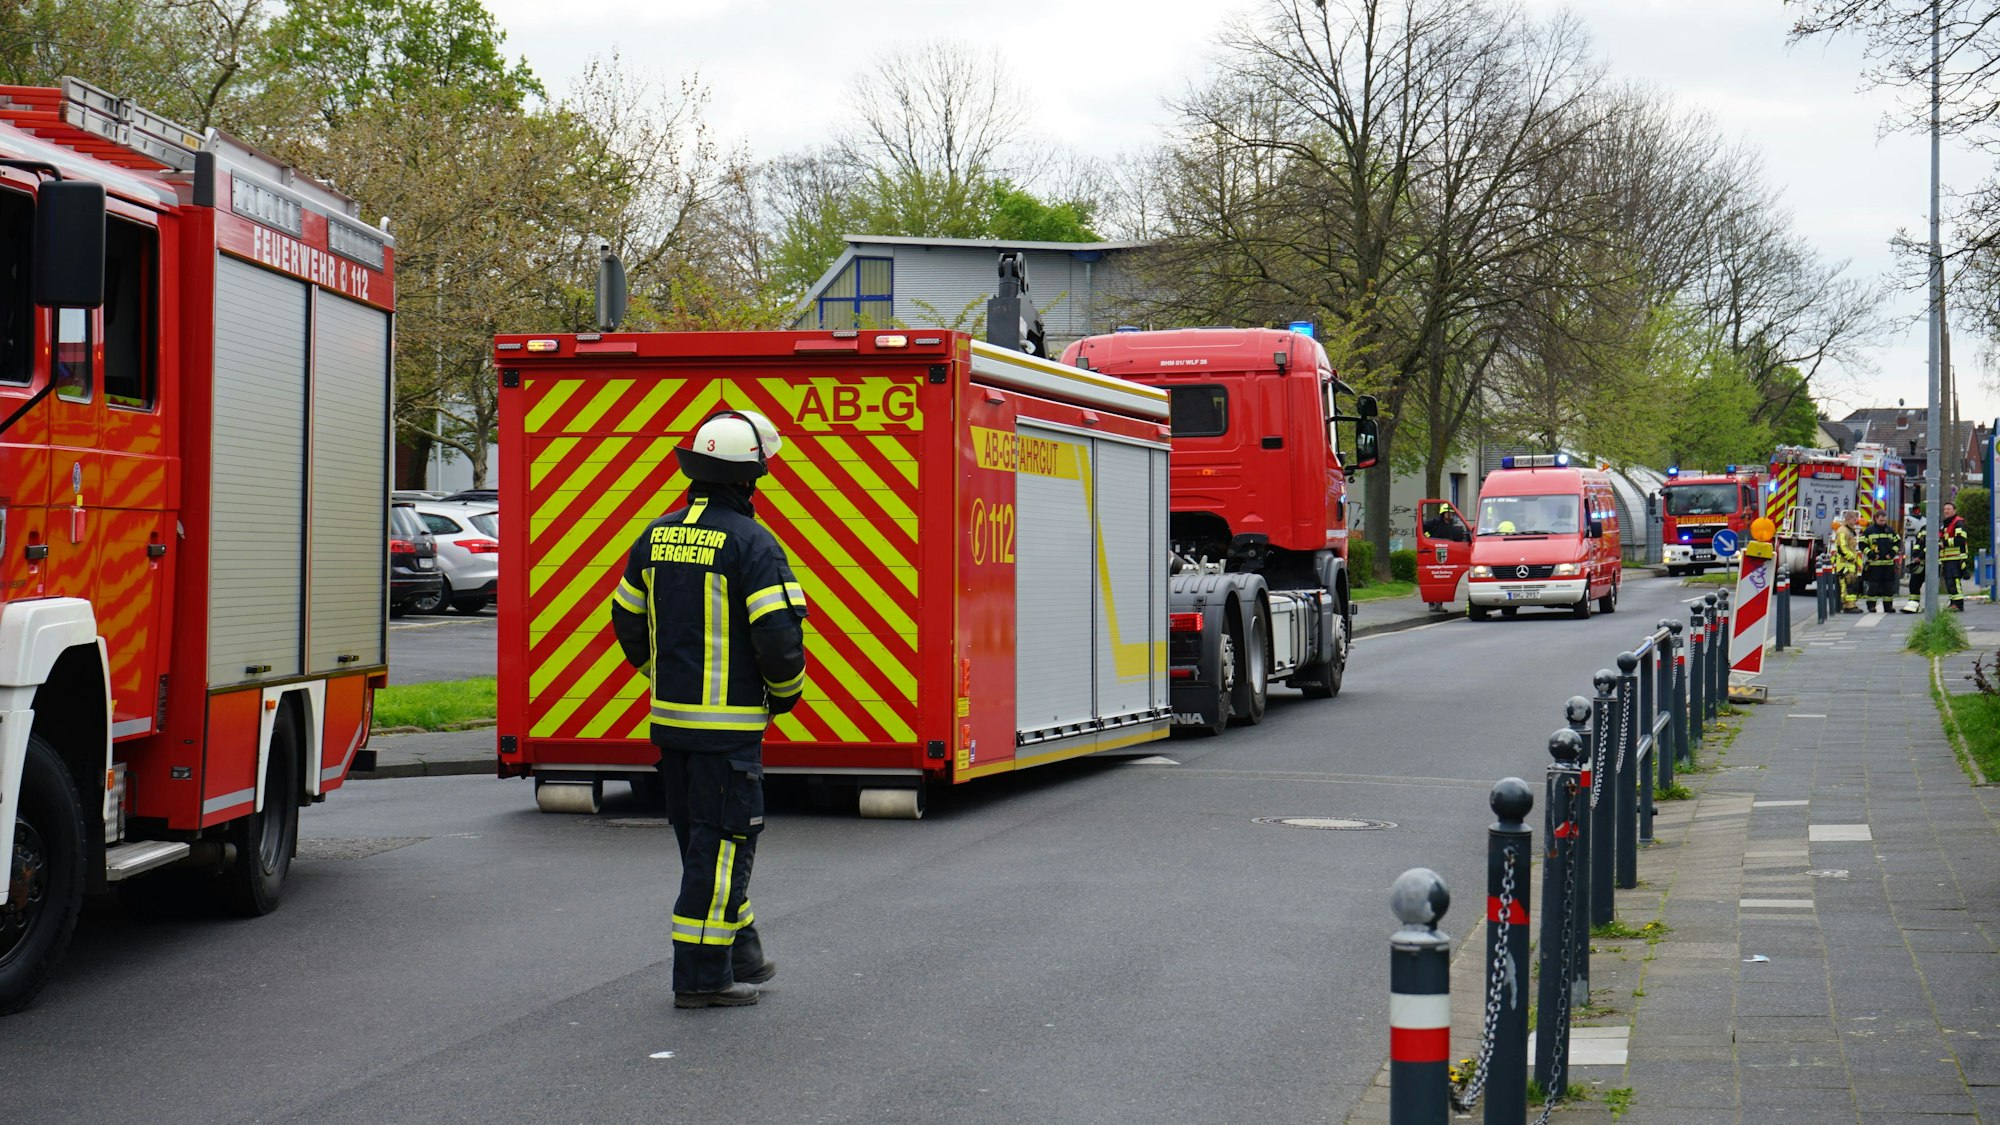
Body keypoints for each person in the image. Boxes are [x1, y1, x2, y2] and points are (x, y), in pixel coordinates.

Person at [608, 409, 809, 1009]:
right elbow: (777, 636)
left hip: (672, 727)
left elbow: (625, 617)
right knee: (723, 848)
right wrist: (786, 694)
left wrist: (659, 676)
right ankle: (700, 978)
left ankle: (741, 952)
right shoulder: (753, 543)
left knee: (704, 844)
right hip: (729, 734)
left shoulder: (656, 533)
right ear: (750, 479)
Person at [1859, 510, 1900, 614]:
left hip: (1888, 564)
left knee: (1888, 587)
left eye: (1884, 520)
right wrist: (1871, 555)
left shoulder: (1890, 530)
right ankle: (1871, 606)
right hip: (1874, 565)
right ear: (1876, 518)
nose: (1883, 522)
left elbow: (1898, 543)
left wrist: (1892, 553)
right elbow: (1862, 545)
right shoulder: (1869, 531)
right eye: (1881, 520)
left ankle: (1888, 607)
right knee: (1873, 586)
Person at [1829, 514, 1862, 613]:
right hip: (1845, 563)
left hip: (1849, 562)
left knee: (1852, 584)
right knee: (1846, 585)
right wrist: (1851, 557)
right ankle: (1847, 606)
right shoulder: (1843, 531)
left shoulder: (1849, 531)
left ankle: (1851, 605)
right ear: (1848, 519)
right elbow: (1842, 548)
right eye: (1854, 520)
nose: (1855, 522)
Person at [1940, 500, 1969, 612]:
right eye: (1945, 509)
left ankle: (1958, 604)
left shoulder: (1958, 523)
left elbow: (1961, 540)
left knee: (1954, 581)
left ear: (1954, 510)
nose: (1946, 511)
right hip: (1948, 558)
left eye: (1949, 509)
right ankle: (1953, 603)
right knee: (1949, 582)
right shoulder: (1945, 524)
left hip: (1956, 558)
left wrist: (1945, 543)